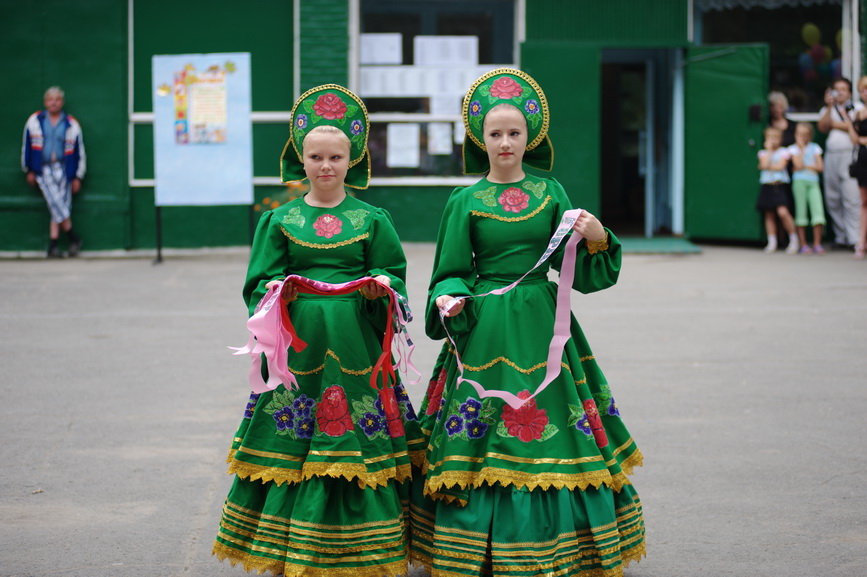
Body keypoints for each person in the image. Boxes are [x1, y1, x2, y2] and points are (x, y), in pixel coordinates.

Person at [411, 68, 645, 577]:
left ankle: (564, 548)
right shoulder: (464, 201)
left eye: (514, 132)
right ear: (480, 138)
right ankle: (472, 549)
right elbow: (450, 271)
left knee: (554, 431)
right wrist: (450, 299)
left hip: (546, 326)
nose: (505, 142)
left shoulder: (550, 191)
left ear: (529, 137)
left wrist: (599, 236)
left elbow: (575, 268)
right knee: (482, 430)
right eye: (495, 133)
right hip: (486, 326)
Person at [212, 84, 422, 576]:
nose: (325, 166)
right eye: (315, 157)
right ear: (300, 160)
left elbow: (394, 275)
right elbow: (257, 282)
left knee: (358, 438)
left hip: (358, 350)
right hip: (298, 353)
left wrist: (381, 288)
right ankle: (288, 549)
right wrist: (275, 292)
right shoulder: (279, 220)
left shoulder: (373, 219)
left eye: (335, 157)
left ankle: (367, 549)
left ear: (352, 160)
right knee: (296, 439)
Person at [21, 86, 85, 258]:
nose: (53, 103)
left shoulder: (71, 124)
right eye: (50, 100)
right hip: (43, 169)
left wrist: (77, 175)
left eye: (57, 100)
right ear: (45, 102)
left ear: (62, 102)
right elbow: (27, 146)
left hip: (64, 168)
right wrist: (28, 169)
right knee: (56, 202)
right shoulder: (35, 121)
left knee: (56, 206)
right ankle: (73, 237)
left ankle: (53, 245)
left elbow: (79, 151)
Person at [818, 77, 863, 251]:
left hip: (850, 155)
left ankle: (854, 238)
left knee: (851, 197)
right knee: (833, 197)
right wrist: (829, 106)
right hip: (832, 155)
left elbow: (855, 128)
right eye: (837, 89)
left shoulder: (857, 108)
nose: (840, 93)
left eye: (843, 89)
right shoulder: (827, 109)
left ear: (849, 92)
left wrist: (835, 124)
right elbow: (823, 127)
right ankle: (841, 236)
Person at [757, 127, 798, 254]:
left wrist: (769, 166)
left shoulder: (784, 152)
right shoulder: (763, 153)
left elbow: (780, 166)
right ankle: (772, 242)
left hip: (779, 186)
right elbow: (763, 165)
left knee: (783, 212)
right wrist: (769, 151)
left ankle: (794, 239)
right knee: (769, 214)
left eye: (776, 137)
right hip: (767, 185)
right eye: (770, 138)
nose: (773, 140)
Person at [787, 122, 826, 254]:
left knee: (818, 212)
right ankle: (803, 244)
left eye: (805, 135)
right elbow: (798, 164)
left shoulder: (815, 148)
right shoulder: (793, 149)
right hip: (799, 183)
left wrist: (805, 166)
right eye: (799, 134)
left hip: (813, 182)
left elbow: (820, 167)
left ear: (810, 135)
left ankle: (817, 244)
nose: (802, 137)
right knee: (801, 212)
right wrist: (802, 150)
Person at [848, 76, 867, 259]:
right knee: (864, 202)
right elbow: (854, 139)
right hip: (862, 160)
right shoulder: (859, 114)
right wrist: (849, 121)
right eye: (863, 90)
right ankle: (861, 242)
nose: (866, 93)